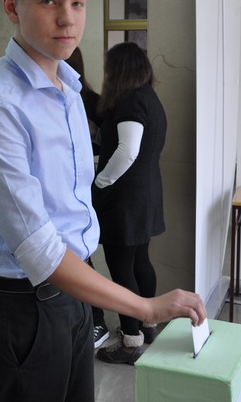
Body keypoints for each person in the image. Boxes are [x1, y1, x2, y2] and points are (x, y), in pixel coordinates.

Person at [0, 0, 205, 402]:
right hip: (22, 304)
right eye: (49, 1)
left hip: (75, 293)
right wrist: (144, 307)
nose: (68, 18)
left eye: (78, 3)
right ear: (12, 5)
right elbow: (40, 251)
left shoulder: (68, 86)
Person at [92, 42, 167, 364]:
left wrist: (101, 181)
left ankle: (130, 342)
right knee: (139, 262)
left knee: (122, 270)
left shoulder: (131, 100)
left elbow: (127, 150)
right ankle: (148, 324)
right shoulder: (149, 97)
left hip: (124, 199)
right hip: (145, 194)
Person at [65, 46, 109, 347]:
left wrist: (91, 134)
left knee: (80, 251)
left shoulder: (90, 100)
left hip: (82, 183)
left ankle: (97, 320)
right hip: (67, 183)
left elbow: (110, 143)